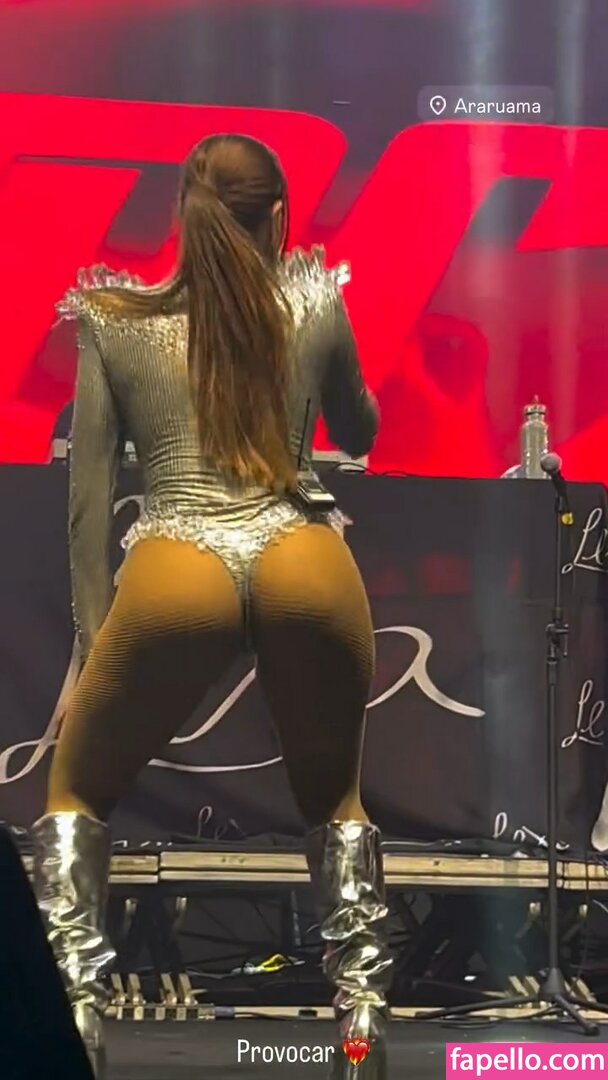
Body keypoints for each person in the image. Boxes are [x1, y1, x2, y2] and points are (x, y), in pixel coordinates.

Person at [32, 134, 391, 1077]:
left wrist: (92, 647)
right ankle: (360, 1032)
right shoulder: (315, 298)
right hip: (301, 552)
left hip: (178, 559)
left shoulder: (112, 319)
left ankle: (75, 1029)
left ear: (183, 218)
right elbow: (358, 430)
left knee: (75, 795)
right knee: (335, 805)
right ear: (280, 215)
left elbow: (88, 501)